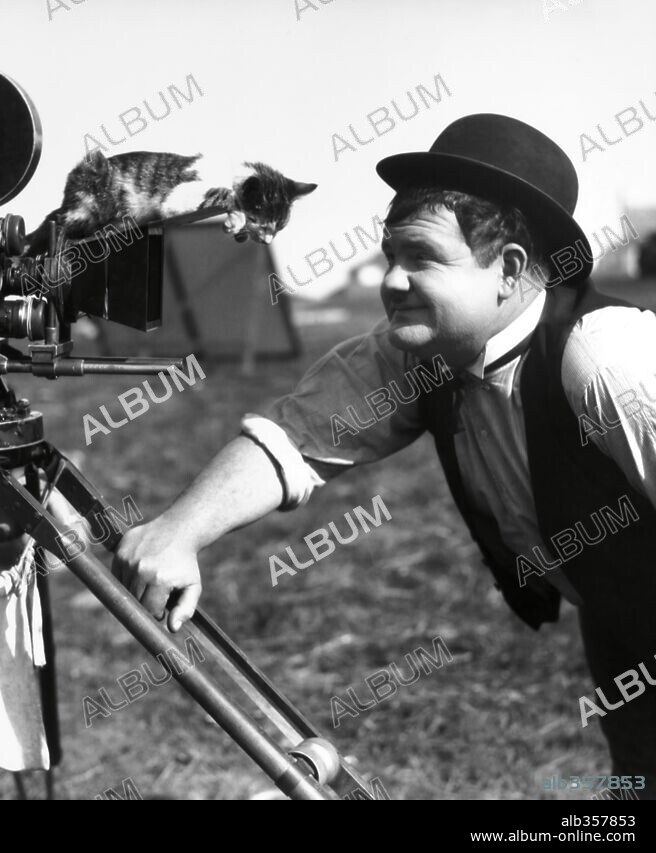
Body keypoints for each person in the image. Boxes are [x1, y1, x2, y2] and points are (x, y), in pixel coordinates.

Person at [114, 114, 656, 793]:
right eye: (390, 253)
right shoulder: (418, 352)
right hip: (619, 611)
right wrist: (178, 531)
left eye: (422, 257)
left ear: (510, 269)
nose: (393, 280)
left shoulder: (607, 359)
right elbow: (296, 436)